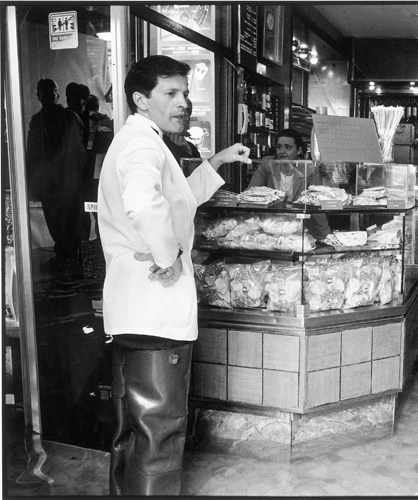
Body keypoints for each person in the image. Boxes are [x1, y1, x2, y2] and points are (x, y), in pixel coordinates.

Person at [97, 55, 251, 496]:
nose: (183, 102)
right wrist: (169, 256)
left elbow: (177, 198)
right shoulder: (142, 144)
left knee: (134, 429)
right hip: (154, 311)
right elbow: (144, 203)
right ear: (140, 100)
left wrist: (217, 160)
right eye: (171, 93)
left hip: (136, 311)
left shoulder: (143, 139)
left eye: (184, 92)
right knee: (159, 434)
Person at [26, 78, 87, 271]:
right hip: (46, 181)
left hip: (66, 181)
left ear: (57, 94)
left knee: (69, 219)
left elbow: (78, 151)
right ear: (38, 96)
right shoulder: (37, 120)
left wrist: (74, 178)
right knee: (53, 220)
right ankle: (63, 257)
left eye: (50, 92)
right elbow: (31, 152)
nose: (46, 96)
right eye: (43, 93)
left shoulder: (69, 117)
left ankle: (71, 258)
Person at [248, 128, 330, 239]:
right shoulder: (267, 164)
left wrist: (327, 237)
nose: (282, 151)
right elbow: (250, 195)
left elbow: (317, 205)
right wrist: (247, 228)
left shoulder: (309, 168)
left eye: (287, 147)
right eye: (279, 147)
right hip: (270, 228)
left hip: (300, 228)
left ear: (299, 150)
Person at [163, 98, 201, 164]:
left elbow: (198, 173)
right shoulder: (155, 143)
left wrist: (187, 152)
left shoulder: (191, 148)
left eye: (184, 116)